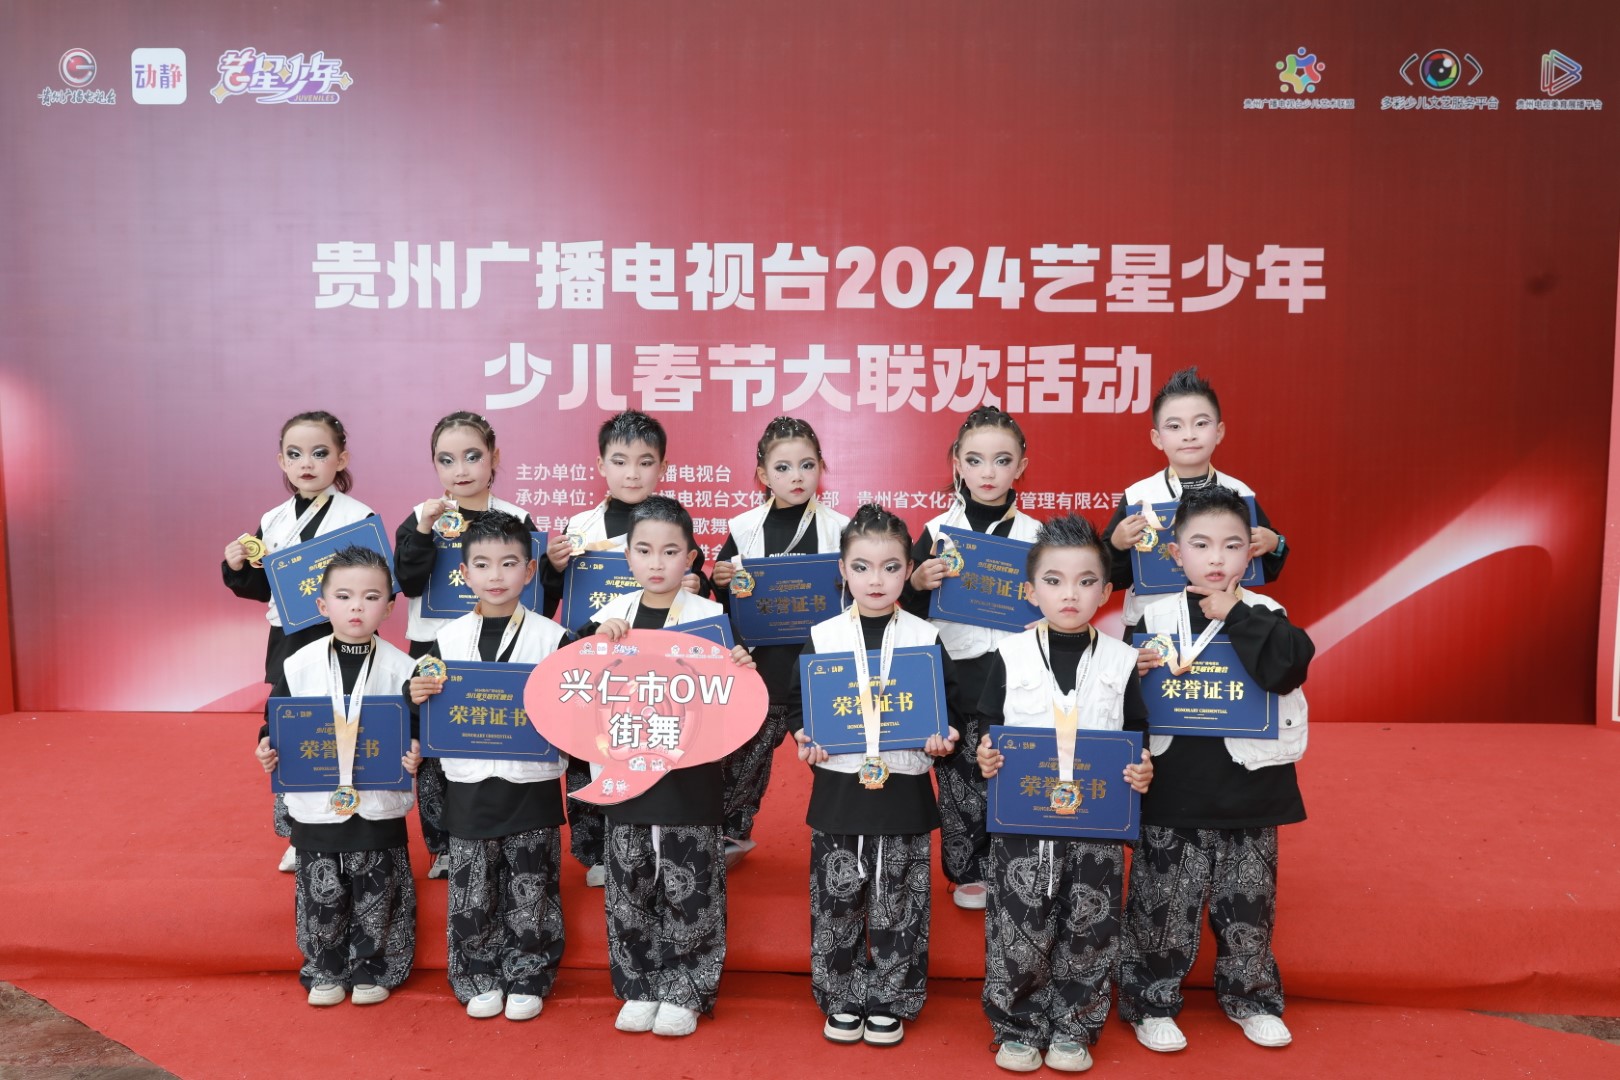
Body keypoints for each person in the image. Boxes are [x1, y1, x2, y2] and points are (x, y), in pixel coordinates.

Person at [1116, 484, 1312, 1053]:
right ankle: (1151, 1002)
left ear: (1251, 553)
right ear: (1175, 553)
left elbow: (1288, 667)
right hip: (1173, 787)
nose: (1217, 558)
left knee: (1248, 904)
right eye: (1200, 545)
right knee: (1162, 905)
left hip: (1250, 786)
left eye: (1231, 545)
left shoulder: (1267, 613)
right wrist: (1130, 672)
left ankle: (1252, 999)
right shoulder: (1151, 618)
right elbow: (1118, 708)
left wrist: (1236, 614)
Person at [972, 514, 1153, 1073]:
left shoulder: (1122, 659)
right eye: (1054, 581)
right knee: (1017, 924)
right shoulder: (1010, 654)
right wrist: (985, 755)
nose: (1069, 594)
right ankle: (1017, 1026)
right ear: (1031, 591)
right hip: (1023, 822)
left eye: (1085, 581)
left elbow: (1136, 733)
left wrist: (1142, 770)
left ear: (1106, 590)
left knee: (1091, 925)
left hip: (1097, 822)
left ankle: (1075, 1027)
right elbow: (988, 728)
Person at [573, 496, 756, 1038]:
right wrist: (591, 648)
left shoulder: (712, 622)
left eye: (671, 551)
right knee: (629, 882)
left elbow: (735, 707)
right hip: (624, 773)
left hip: (689, 777)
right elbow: (574, 695)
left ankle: (687, 988)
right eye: (645, 550)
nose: (657, 562)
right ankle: (638, 984)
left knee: (691, 884)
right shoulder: (607, 618)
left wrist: (741, 667)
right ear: (627, 555)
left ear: (692, 557)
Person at [790, 504, 962, 1048]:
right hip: (840, 791)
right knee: (837, 900)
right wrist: (805, 735)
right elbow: (798, 706)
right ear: (843, 569)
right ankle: (840, 996)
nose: (876, 580)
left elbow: (948, 708)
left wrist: (944, 737)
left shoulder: (925, 636)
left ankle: (891, 998)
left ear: (908, 569)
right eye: (861, 567)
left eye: (890, 567)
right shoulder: (822, 637)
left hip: (904, 791)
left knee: (900, 902)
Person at [408, 512, 570, 1022]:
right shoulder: (445, 640)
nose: (495, 575)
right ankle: (477, 974)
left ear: (529, 569)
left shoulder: (555, 639)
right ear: (464, 573)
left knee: (531, 885)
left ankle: (529, 974)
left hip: (531, 785)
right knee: (472, 889)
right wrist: (416, 694)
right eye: (481, 564)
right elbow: (419, 713)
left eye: (509, 562)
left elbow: (575, 711)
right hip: (469, 784)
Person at [542, 411, 709, 886]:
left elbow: (700, 599)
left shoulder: (671, 522)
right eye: (619, 461)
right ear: (600, 465)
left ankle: (659, 840)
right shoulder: (579, 527)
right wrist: (552, 567)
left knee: (652, 744)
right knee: (589, 750)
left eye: (644, 462)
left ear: (663, 467)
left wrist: (697, 584)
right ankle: (597, 849)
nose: (631, 473)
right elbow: (550, 601)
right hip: (597, 666)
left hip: (656, 673)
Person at [252, 546, 420, 1006]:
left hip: (378, 798)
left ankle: (374, 967)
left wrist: (415, 754)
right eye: (343, 597)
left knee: (378, 886)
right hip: (316, 798)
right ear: (322, 605)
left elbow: (416, 730)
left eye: (371, 597)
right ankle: (324, 968)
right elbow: (275, 723)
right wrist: (266, 747)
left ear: (390, 607)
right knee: (320, 889)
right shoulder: (297, 664)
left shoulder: (404, 670)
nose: (356, 607)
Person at [901, 406, 1042, 910]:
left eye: (1002, 460)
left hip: (1018, 671)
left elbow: (1065, 598)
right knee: (959, 774)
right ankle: (967, 869)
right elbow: (902, 608)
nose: (988, 472)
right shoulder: (936, 530)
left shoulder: (1037, 536)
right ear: (957, 463)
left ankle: (1017, 862)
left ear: (1021, 466)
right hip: (955, 671)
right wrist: (917, 581)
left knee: (1014, 764)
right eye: (976, 460)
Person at [223, 410, 376, 872]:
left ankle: (355, 827)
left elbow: (377, 585)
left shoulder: (358, 518)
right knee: (292, 733)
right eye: (295, 454)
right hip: (289, 642)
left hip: (344, 638)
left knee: (348, 729)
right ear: (282, 462)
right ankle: (299, 832)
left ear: (341, 459)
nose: (306, 463)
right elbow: (261, 587)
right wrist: (236, 565)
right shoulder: (272, 520)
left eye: (319, 452)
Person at [394, 411, 540, 880]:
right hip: (435, 645)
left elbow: (537, 592)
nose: (460, 470)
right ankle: (443, 844)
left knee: (492, 738)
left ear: (494, 457)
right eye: (447, 460)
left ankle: (502, 835)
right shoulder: (422, 517)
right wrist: (423, 530)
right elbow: (406, 581)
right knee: (434, 745)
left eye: (472, 456)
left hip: (499, 644)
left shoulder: (518, 519)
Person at [711, 416, 850, 867]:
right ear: (763, 474)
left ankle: (847, 831)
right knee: (745, 757)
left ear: (821, 467)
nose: (797, 477)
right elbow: (723, 601)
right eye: (783, 467)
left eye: (807, 465)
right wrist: (719, 580)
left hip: (823, 667)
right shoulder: (744, 527)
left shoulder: (841, 528)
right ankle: (730, 833)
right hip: (764, 665)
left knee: (836, 753)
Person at [1101, 367, 1290, 636]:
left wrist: (1273, 544)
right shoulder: (1139, 496)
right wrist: (1117, 545)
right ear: (1157, 438)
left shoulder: (1239, 492)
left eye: (1201, 423)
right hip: (1153, 626)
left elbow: (1265, 569)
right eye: (1174, 426)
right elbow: (1107, 575)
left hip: (1225, 624)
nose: (1189, 434)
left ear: (1219, 431)